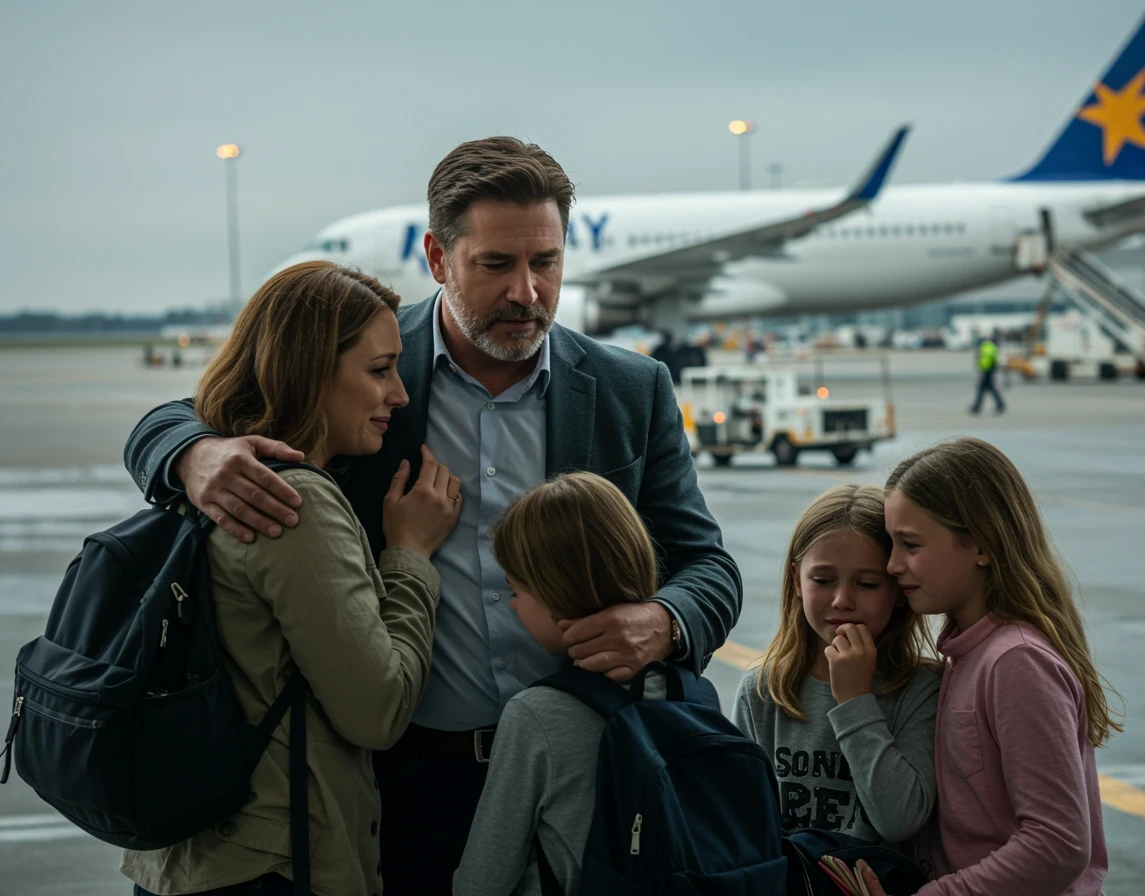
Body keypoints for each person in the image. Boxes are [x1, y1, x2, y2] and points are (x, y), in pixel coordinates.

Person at [121, 136, 742, 894]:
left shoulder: (628, 388)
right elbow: (175, 417)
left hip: (587, 769)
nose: (527, 292)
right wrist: (194, 455)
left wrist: (665, 622)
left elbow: (709, 567)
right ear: (438, 258)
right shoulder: (371, 362)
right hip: (406, 782)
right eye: (496, 265)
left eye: (546, 262)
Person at [121, 261, 461, 895]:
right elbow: (378, 711)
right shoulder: (288, 502)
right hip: (269, 867)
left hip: (196, 856)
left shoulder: (215, 471)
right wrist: (411, 556)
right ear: (310, 371)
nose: (401, 394)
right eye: (379, 370)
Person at [883, 437, 1122, 895]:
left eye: (910, 545)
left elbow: (1059, 843)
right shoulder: (967, 654)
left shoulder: (1016, 662)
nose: (893, 564)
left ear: (980, 546)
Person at [454, 472, 668, 896]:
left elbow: (482, 880)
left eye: (515, 589)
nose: (512, 604)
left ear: (554, 595)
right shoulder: (689, 692)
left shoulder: (536, 716)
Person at [731, 484, 941, 854]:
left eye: (867, 584)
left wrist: (855, 699)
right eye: (823, 580)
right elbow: (741, 826)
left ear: (898, 589)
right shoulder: (763, 691)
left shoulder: (921, 688)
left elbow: (899, 820)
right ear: (796, 580)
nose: (842, 600)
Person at [969, 332, 1005, 415]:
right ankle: (1000, 404)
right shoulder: (991, 346)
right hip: (988, 369)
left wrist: (982, 368)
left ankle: (977, 407)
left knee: (982, 388)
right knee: (990, 388)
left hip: (987, 370)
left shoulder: (987, 346)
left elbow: (987, 358)